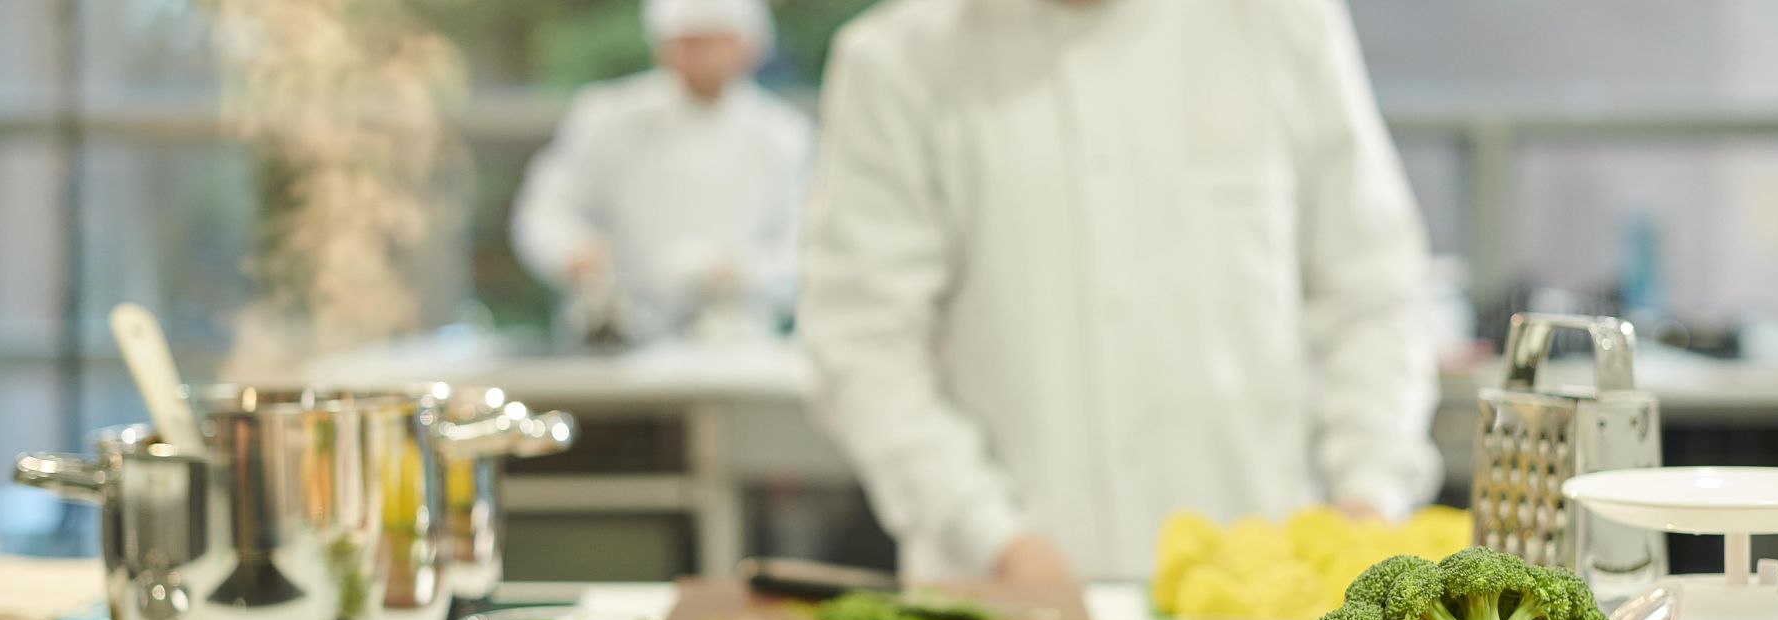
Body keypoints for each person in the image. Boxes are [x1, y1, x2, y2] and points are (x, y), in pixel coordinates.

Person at [800, 0, 1441, 584]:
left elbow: (1375, 291)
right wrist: (995, 536)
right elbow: (862, 344)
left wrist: (1369, 494)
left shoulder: (1280, 23)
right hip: (998, 610)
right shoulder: (897, 62)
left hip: (1259, 606)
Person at [512, 0, 813, 345]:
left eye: (710, 41)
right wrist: (572, 252)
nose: (696, 55)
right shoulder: (608, 117)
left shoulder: (784, 135)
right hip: (619, 337)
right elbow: (546, 209)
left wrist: (740, 274)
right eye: (685, 42)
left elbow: (804, 248)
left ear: (748, 46)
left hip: (739, 340)